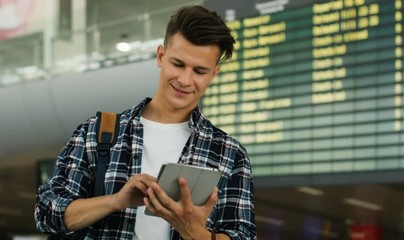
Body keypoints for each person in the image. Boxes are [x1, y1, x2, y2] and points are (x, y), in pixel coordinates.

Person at [35, 5, 257, 240]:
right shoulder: (98, 132)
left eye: (200, 71)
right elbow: (47, 212)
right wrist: (115, 201)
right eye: (178, 64)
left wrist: (194, 232)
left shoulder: (229, 153)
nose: (185, 80)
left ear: (213, 74)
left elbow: (242, 235)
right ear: (161, 56)